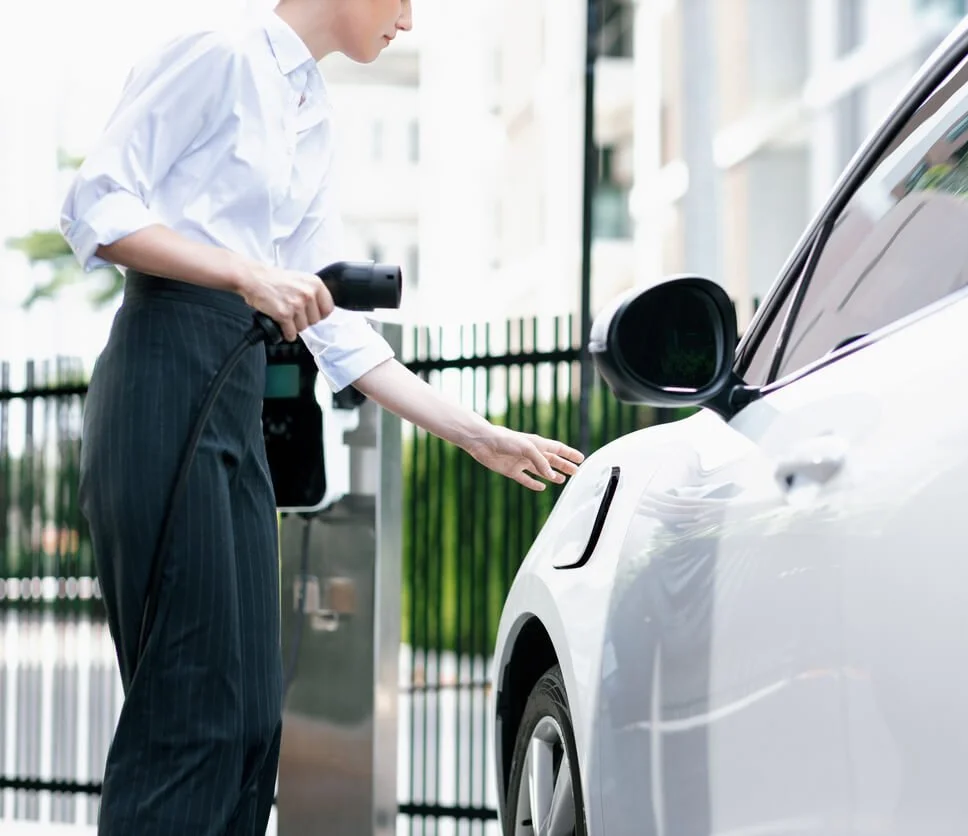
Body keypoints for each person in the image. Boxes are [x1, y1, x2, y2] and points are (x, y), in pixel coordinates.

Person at [58, 0, 583, 832]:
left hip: (233, 396)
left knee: (252, 721)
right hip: (165, 374)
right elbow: (95, 204)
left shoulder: (310, 112)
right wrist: (244, 273)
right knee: (190, 715)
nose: (408, 22)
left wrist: (479, 435)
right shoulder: (219, 51)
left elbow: (338, 326)